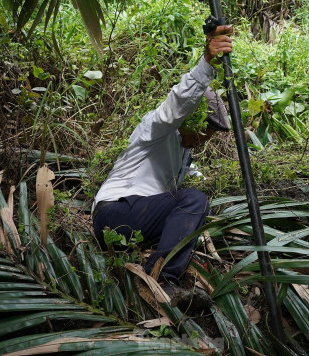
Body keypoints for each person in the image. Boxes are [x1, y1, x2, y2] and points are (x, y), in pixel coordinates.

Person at [92, 25, 233, 311]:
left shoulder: (183, 158)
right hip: (115, 212)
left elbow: (186, 190)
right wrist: (206, 63)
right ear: (192, 121)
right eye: (205, 132)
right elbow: (177, 104)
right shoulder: (157, 130)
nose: (205, 141)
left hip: (136, 227)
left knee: (198, 205)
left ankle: (160, 269)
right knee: (194, 199)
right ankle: (162, 277)